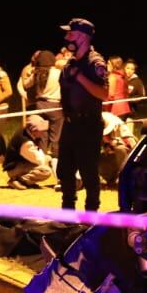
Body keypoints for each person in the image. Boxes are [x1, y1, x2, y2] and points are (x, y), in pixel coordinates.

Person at [56, 18, 110, 211]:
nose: (66, 37)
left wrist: (80, 77)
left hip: (88, 125)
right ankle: (68, 211)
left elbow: (104, 93)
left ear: (82, 36)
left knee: (88, 171)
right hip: (70, 123)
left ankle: (91, 212)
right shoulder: (70, 63)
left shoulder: (95, 62)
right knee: (64, 170)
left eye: (70, 33)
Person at [20, 49, 62, 158]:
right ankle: (56, 157)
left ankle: (41, 157)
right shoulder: (58, 73)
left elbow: (26, 85)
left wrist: (32, 72)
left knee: (42, 133)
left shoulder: (36, 74)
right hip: (55, 106)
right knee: (55, 134)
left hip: (40, 105)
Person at [3, 115, 53, 188]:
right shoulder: (26, 143)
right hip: (14, 168)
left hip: (20, 163)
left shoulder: (26, 132)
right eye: (41, 131)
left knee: (47, 160)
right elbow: (39, 160)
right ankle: (18, 181)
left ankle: (27, 182)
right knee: (46, 171)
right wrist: (48, 158)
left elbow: (37, 152)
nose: (43, 133)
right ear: (33, 130)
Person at [99, 111, 136, 191]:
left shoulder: (120, 126)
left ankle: (124, 179)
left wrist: (115, 143)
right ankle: (107, 179)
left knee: (120, 149)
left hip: (123, 162)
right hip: (107, 163)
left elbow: (133, 147)